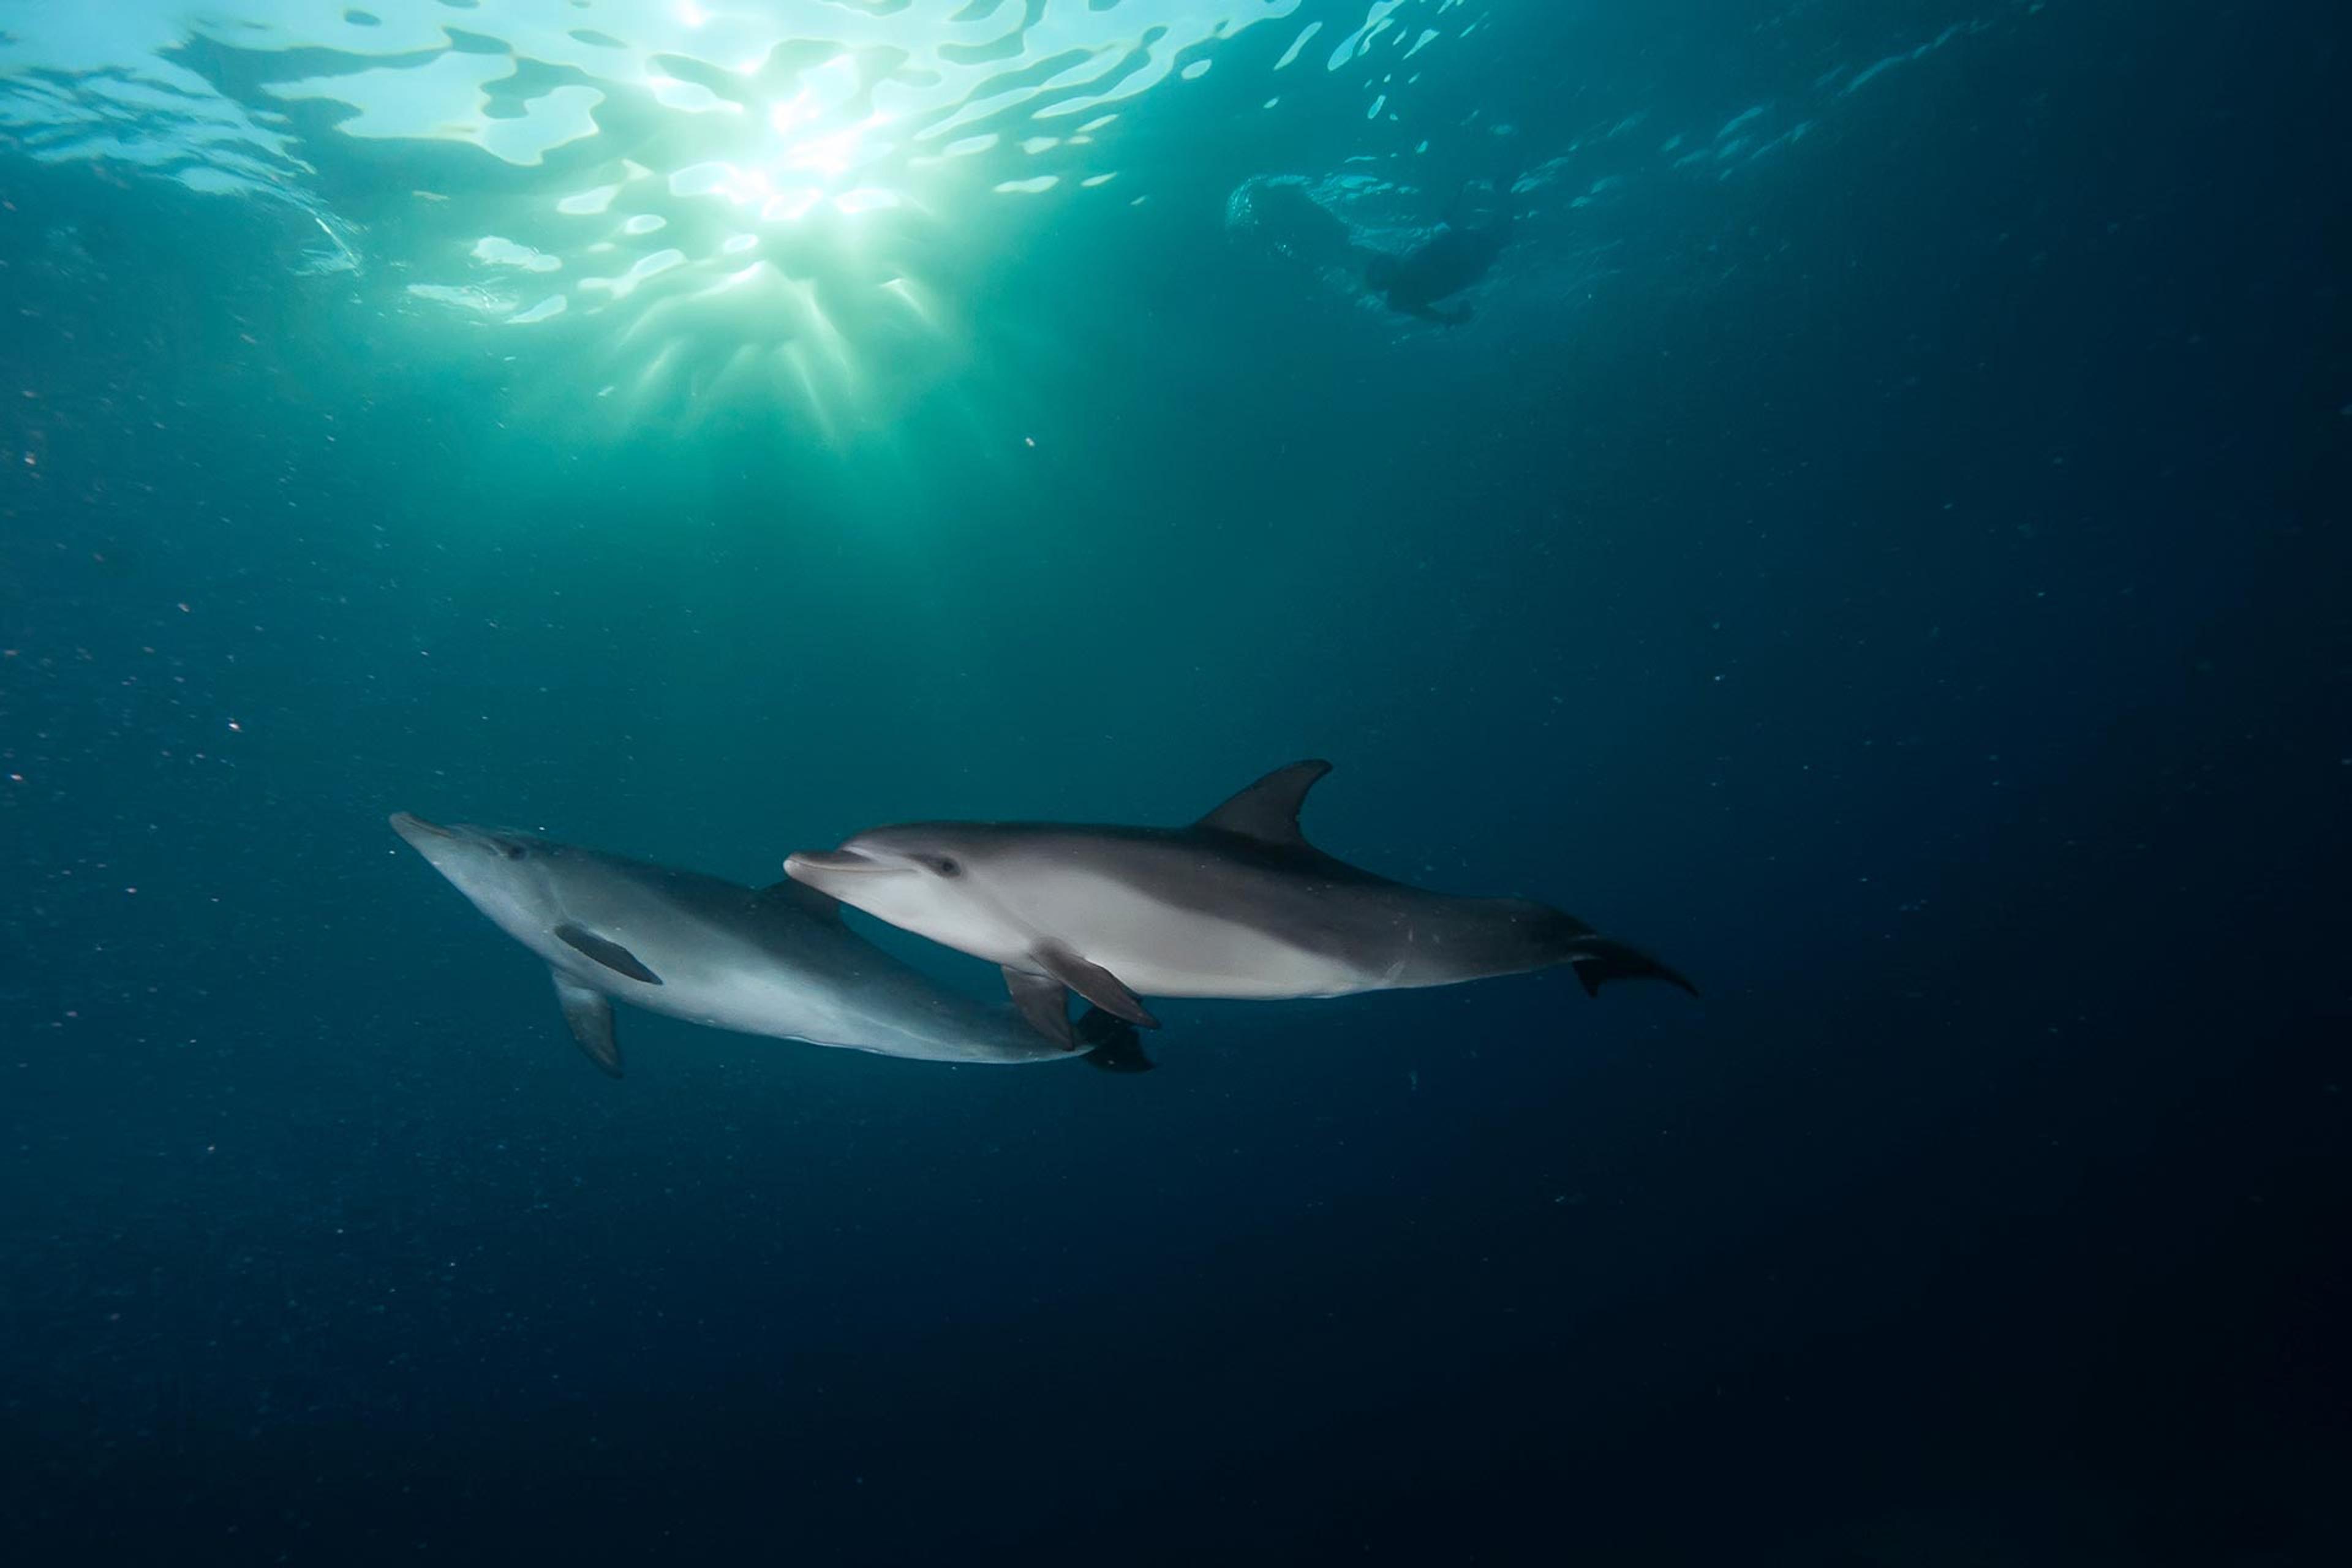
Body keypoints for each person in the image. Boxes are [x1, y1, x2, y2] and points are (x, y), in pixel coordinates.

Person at [1364, 179, 1515, 326]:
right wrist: (1453, 318)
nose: (1387, 269)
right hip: (1465, 262)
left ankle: (1497, 195)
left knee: (1497, 235)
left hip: (1462, 257)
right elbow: (1429, 313)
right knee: (1498, 235)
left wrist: (1453, 318)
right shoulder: (1398, 297)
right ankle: (1500, 195)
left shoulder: (1401, 289)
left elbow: (1431, 313)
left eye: (1385, 267)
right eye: (1383, 271)